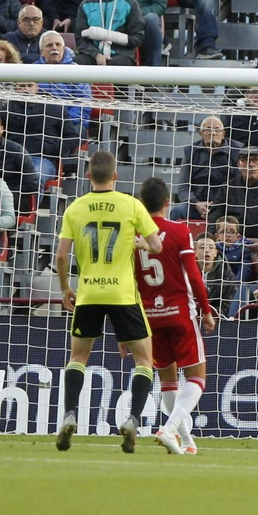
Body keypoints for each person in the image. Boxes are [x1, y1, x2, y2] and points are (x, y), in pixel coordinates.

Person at [54, 150, 162, 453]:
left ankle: (70, 414)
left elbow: (61, 255)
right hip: (123, 294)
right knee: (143, 360)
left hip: (88, 293)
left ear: (89, 176)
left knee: (78, 358)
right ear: (116, 176)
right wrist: (138, 241)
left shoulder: (75, 208)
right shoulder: (131, 204)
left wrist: (65, 289)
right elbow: (156, 245)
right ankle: (132, 419)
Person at [133, 176, 215, 457]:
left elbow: (130, 280)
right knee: (197, 378)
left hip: (149, 316)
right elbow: (193, 275)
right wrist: (205, 309)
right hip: (179, 313)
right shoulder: (180, 231)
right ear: (168, 203)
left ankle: (186, 440)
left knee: (168, 380)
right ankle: (168, 430)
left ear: (141, 203)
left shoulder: (134, 235)